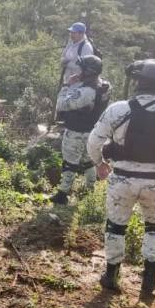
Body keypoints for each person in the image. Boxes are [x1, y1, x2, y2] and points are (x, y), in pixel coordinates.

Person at [87, 59, 155, 302]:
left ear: (139, 82)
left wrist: (99, 164)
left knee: (116, 227)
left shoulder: (118, 109)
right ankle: (148, 283)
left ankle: (112, 277)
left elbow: (94, 142)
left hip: (122, 180)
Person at [50, 55, 110, 205]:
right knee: (88, 161)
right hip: (93, 132)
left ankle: (62, 194)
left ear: (88, 71)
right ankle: (90, 190)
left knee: (70, 162)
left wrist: (66, 85)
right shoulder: (104, 86)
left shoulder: (87, 92)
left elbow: (62, 105)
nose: (79, 71)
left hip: (76, 131)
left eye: (82, 68)